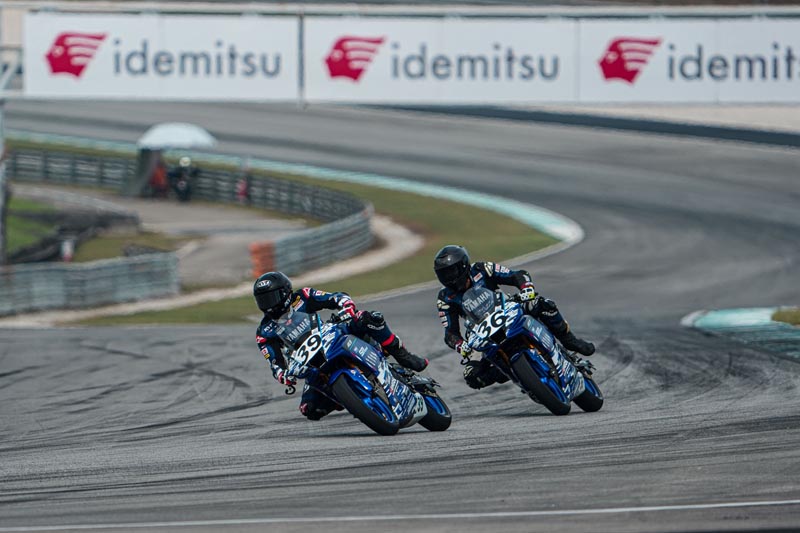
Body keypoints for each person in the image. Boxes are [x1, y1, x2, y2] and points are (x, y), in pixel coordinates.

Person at [254, 271, 429, 421]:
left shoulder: (302, 297)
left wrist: (345, 306)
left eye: (271, 298)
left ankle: (403, 355)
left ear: (285, 292)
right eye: (263, 300)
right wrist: (282, 375)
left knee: (369, 318)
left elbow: (335, 297)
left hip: (331, 334)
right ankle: (350, 398)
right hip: (309, 361)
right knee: (310, 409)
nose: (269, 305)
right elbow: (274, 362)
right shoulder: (264, 332)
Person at [433, 245, 595, 390]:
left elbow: (517, 275)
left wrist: (526, 289)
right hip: (480, 330)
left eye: (451, 272)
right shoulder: (445, 297)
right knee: (472, 377)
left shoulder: (482, 269)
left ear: (463, 266)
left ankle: (569, 340)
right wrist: (461, 346)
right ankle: (515, 372)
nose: (448, 278)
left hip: (508, 308)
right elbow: (450, 333)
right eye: (443, 274)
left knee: (543, 304)